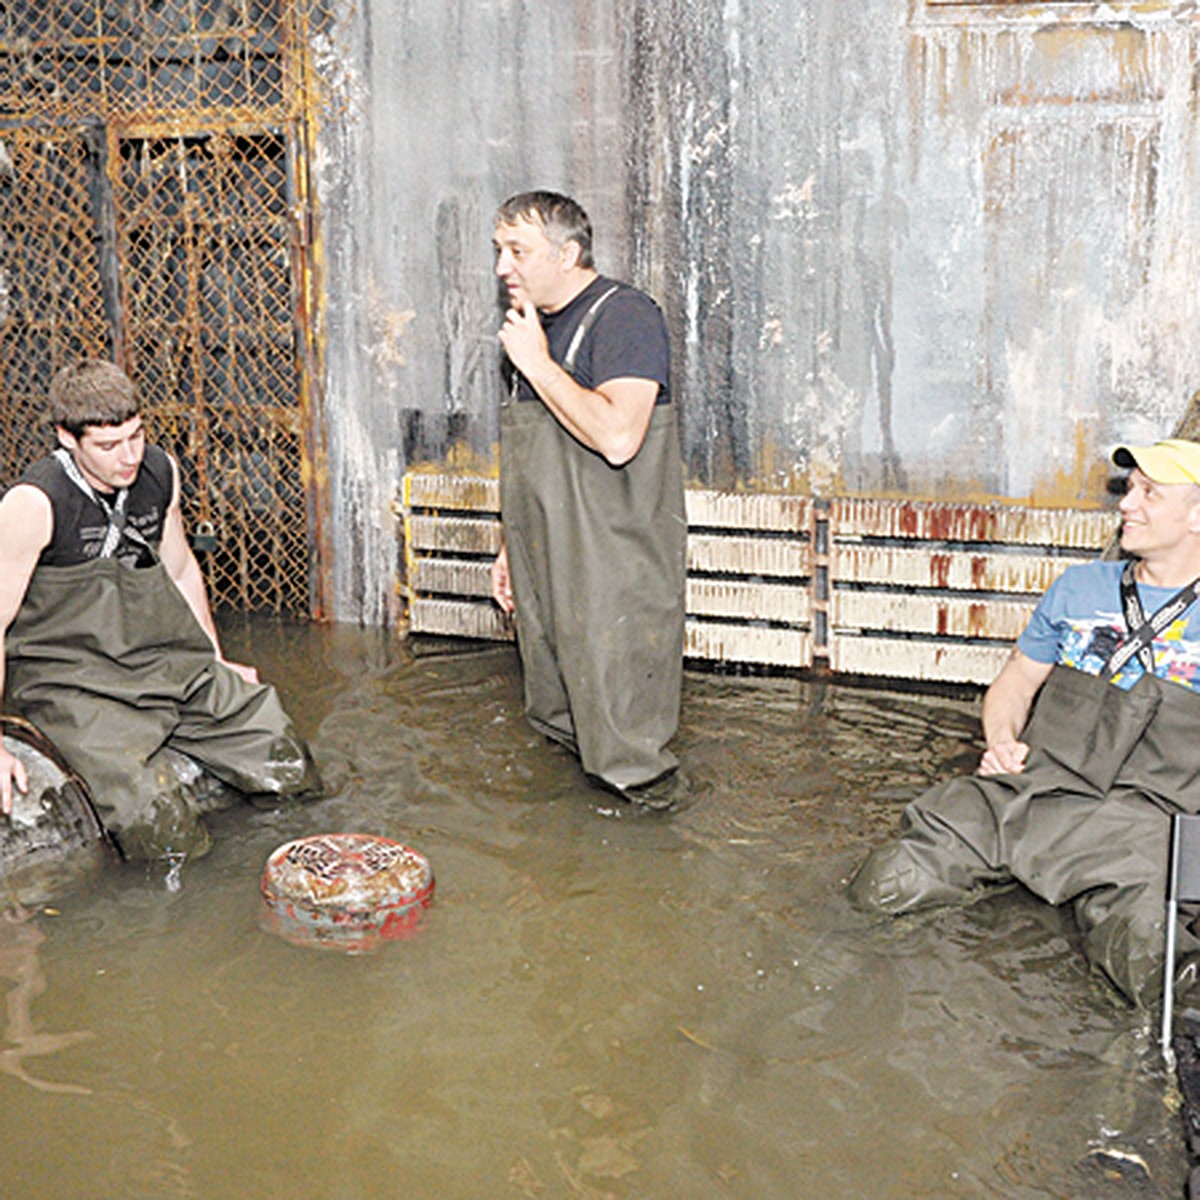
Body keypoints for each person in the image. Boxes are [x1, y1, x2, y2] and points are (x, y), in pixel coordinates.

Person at [848, 437, 1200, 1006]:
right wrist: (1003, 740)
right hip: (1035, 787)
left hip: (1146, 816)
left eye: (1149, 494)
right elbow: (1017, 678)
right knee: (889, 881)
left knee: (1148, 963)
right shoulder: (1078, 588)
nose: (1126, 505)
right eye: (1129, 488)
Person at [0, 359, 321, 861]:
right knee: (159, 824)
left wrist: (214, 658)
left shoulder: (158, 470)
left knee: (281, 751)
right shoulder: (33, 505)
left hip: (163, 662)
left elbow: (180, 569)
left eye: (135, 435)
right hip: (75, 683)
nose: (128, 456)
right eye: (108, 446)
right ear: (67, 437)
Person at [489, 190, 687, 805]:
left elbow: (620, 437)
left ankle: (647, 865)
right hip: (546, 557)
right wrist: (509, 548)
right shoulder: (535, 331)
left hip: (613, 563)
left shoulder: (624, 316)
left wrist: (539, 365)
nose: (502, 268)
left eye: (518, 250)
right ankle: (570, 860)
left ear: (568, 252)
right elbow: (534, 461)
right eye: (499, 251)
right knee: (557, 721)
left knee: (626, 745)